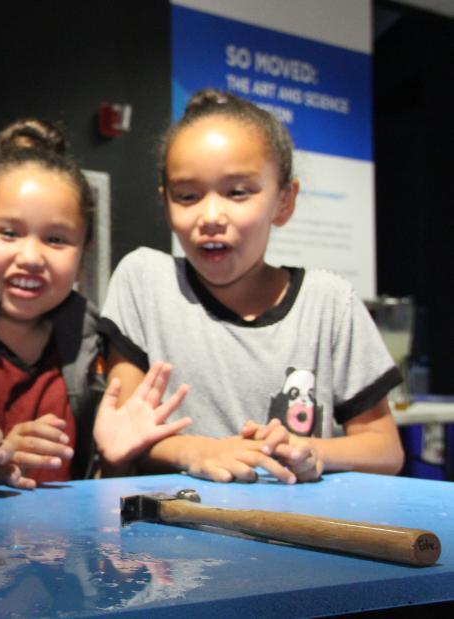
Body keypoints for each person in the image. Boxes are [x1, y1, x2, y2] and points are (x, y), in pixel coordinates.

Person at [99, 89, 404, 484]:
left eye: (238, 192)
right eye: (187, 195)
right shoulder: (144, 281)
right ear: (166, 203)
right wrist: (199, 450)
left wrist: (312, 449)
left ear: (284, 200)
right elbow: (123, 432)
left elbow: (385, 447)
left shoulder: (329, 303)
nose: (210, 215)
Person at [0, 119, 192, 489]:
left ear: (82, 259)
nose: (31, 256)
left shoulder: (92, 348)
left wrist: (117, 461)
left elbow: (97, 488)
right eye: (9, 233)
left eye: (55, 239)